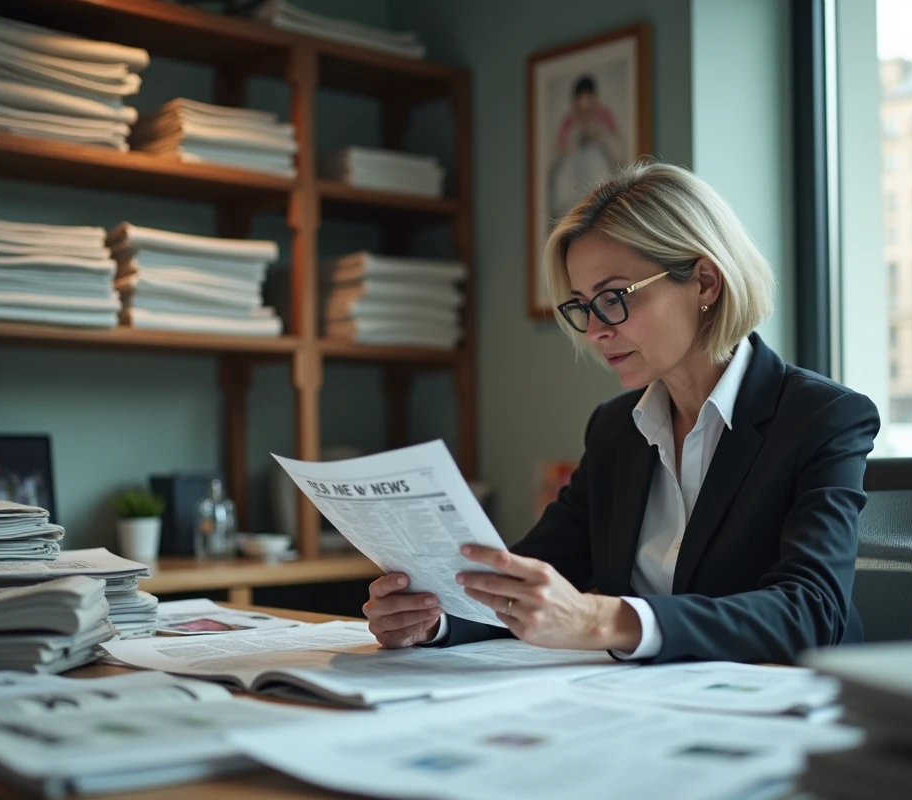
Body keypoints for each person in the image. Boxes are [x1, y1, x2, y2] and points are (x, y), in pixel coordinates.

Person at [363, 161, 880, 665]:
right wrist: (433, 618)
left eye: (613, 297)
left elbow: (813, 611)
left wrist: (602, 620)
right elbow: (530, 579)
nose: (595, 331)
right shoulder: (615, 429)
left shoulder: (823, 417)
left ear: (705, 282)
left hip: (788, 700)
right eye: (583, 305)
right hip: (648, 698)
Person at [548, 75, 624, 222]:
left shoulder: (604, 119)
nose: (584, 116)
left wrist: (601, 135)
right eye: (580, 111)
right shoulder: (568, 124)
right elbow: (557, 159)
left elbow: (619, 156)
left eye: (589, 110)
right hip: (573, 200)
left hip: (600, 199)